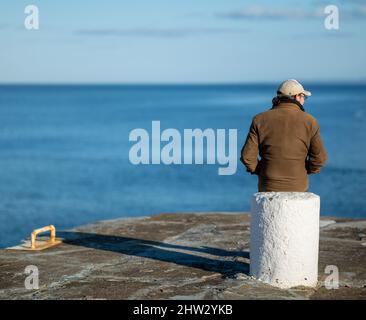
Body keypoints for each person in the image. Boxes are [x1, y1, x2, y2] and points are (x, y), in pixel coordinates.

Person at [240, 79, 327, 192]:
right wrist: (303, 170)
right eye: (303, 97)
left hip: (267, 186)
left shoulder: (259, 120)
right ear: (297, 97)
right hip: (298, 187)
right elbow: (320, 159)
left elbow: (247, 157)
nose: (304, 101)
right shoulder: (310, 121)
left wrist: (262, 171)